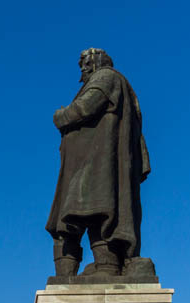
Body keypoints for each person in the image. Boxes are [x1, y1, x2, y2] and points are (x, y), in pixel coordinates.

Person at [47, 48, 152, 279]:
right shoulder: (101, 80)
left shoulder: (106, 76)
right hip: (88, 162)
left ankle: (108, 265)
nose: (83, 67)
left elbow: (83, 108)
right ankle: (99, 266)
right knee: (84, 212)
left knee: (95, 210)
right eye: (81, 63)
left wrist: (60, 115)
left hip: (98, 163)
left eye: (86, 61)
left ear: (98, 61)